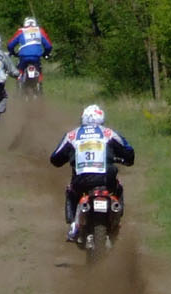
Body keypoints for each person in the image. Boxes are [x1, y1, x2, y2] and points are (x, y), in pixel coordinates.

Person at [50, 104, 135, 242]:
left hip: (81, 180)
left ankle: (73, 225)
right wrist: (123, 159)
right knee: (118, 187)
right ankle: (117, 218)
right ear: (102, 119)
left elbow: (55, 158)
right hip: (106, 179)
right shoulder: (109, 133)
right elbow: (129, 151)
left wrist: (68, 157)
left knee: (71, 190)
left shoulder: (72, 135)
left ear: (83, 118)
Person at [5, 16, 53, 85]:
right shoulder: (40, 30)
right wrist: (46, 53)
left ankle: (19, 86)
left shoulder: (21, 31)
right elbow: (48, 45)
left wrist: (13, 52)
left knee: (20, 71)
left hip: (24, 56)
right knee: (39, 70)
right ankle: (39, 84)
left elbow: (10, 45)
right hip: (36, 56)